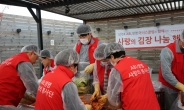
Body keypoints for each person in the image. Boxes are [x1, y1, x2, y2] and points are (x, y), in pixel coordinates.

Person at [103, 42, 160, 110]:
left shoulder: (117, 70)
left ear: (112, 56)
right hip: (152, 106)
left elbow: (113, 100)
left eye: (109, 59)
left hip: (134, 107)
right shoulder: (142, 64)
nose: (110, 62)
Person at [0, 44, 39, 109]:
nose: (35, 62)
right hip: (4, 100)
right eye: (36, 58)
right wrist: (43, 98)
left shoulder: (13, 59)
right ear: (32, 53)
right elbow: (32, 84)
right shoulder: (24, 62)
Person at [73, 24, 103, 93]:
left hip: (94, 76)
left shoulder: (98, 43)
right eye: (80, 36)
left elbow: (106, 58)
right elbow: (73, 57)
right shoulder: (77, 44)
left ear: (90, 34)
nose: (82, 38)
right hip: (79, 77)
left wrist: (94, 65)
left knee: (93, 95)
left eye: (84, 35)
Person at [158, 31, 184, 110]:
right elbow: (166, 73)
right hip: (169, 86)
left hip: (182, 84)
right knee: (171, 106)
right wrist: (180, 86)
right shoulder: (168, 51)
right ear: (182, 42)